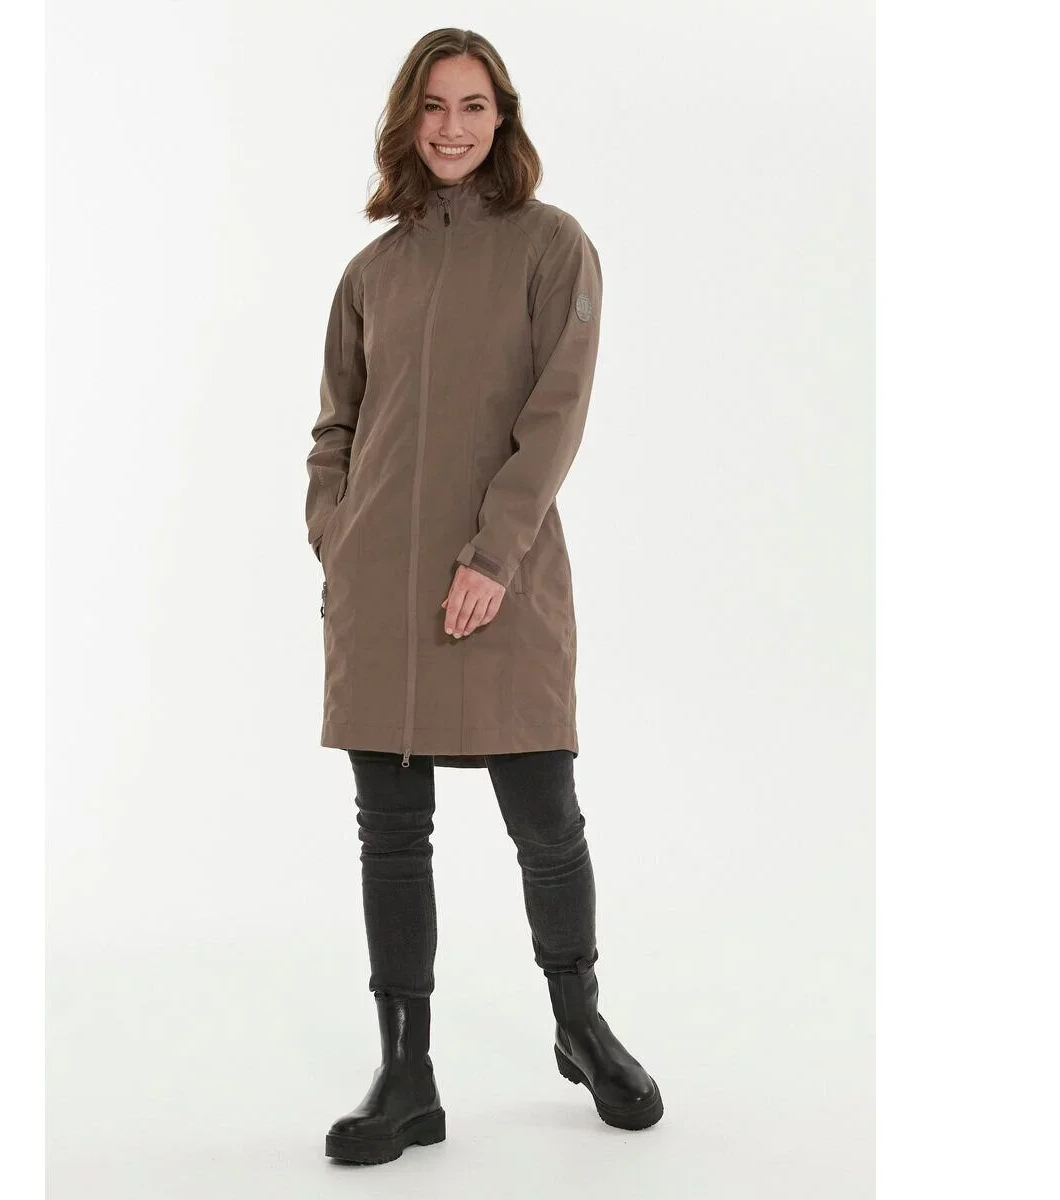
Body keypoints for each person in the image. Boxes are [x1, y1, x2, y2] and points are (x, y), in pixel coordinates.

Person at [305, 30, 664, 1165]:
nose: (451, 127)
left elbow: (555, 417)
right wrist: (335, 537)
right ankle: (405, 1074)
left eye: (472, 105)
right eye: (432, 106)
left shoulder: (555, 248)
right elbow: (335, 425)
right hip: (379, 591)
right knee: (390, 838)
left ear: (502, 116)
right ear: (406, 122)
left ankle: (579, 1025)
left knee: (546, 824)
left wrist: (494, 557)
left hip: (503, 582)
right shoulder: (372, 272)